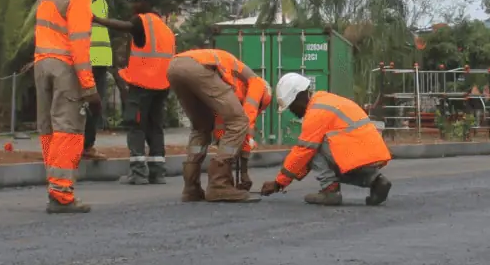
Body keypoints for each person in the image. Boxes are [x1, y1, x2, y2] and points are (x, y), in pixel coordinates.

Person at [33, 0, 111, 213]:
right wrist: (90, 89)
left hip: (42, 63)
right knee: (68, 129)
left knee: (50, 130)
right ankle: (62, 194)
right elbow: (79, 44)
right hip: (65, 67)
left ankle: (55, 186)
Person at [260, 73, 393, 206]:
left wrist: (278, 183)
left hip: (354, 154)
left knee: (311, 148)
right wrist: (289, 178)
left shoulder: (315, 113)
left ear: (299, 97)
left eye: (291, 106)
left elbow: (303, 152)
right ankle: (376, 181)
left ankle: (330, 190)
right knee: (320, 153)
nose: (292, 111)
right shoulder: (327, 100)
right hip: (369, 155)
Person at [93, 0, 175, 185]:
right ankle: (158, 172)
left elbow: (124, 26)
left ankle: (138, 172)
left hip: (143, 84)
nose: (133, 5)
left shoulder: (142, 21)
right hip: (162, 85)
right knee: (155, 127)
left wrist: (98, 19)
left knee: (135, 125)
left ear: (147, 1)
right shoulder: (163, 26)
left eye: (136, 1)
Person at [165, 48, 271, 203]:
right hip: (198, 67)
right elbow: (245, 121)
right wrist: (244, 171)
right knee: (239, 121)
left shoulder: (234, 83)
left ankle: (191, 187)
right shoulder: (258, 85)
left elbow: (223, 131)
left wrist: (234, 156)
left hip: (175, 66)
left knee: (201, 126)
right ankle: (219, 185)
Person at [82, 0, 113, 161]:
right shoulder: (78, 0)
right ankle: (73, 146)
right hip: (82, 61)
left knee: (95, 106)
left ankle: (88, 146)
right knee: (77, 106)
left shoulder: (102, 3)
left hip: (101, 62)